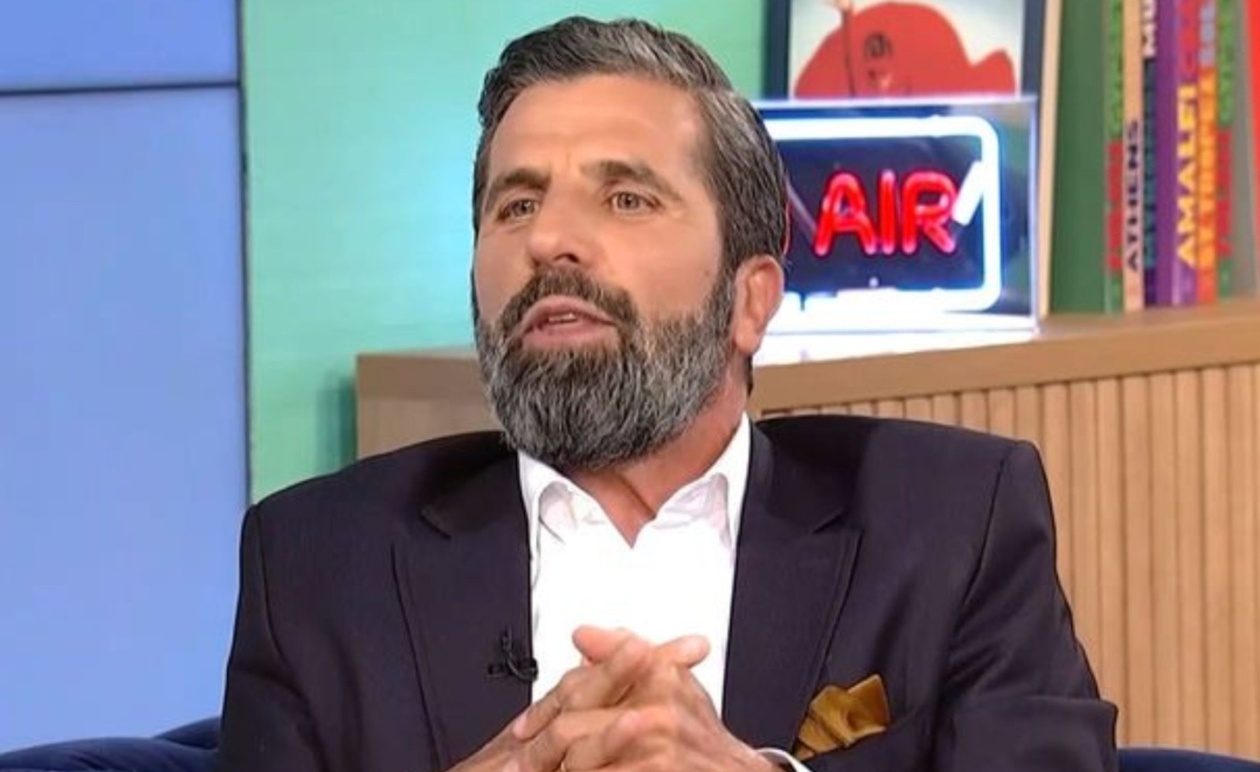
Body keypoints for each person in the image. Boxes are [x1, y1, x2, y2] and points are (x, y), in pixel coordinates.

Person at [213, 15, 1118, 772]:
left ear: (749, 299)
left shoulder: (949, 526)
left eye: (626, 199)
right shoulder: (318, 564)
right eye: (516, 205)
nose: (550, 241)